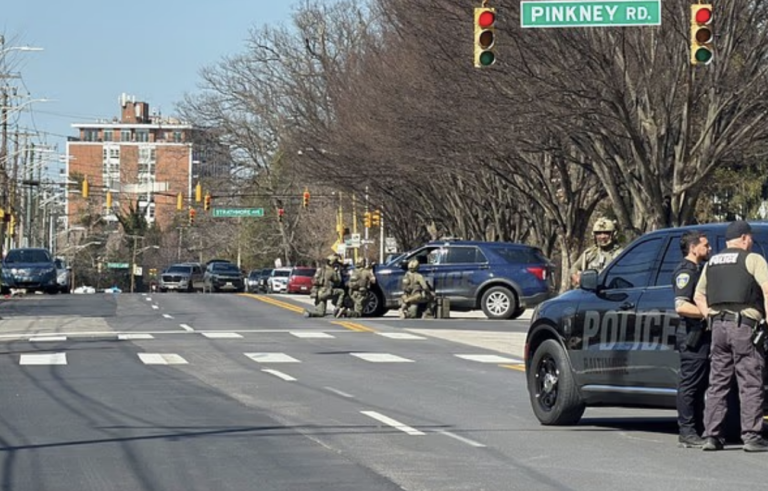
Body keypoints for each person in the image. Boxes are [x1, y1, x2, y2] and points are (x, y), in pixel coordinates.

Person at [693, 220, 768, 452]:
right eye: (750, 239)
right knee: (750, 382)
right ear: (745, 238)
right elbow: (767, 288)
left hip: (718, 328)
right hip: (744, 327)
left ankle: (712, 436)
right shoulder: (752, 259)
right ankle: (752, 436)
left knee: (717, 383)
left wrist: (710, 318)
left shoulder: (712, 262)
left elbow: (698, 295)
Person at [672, 230, 712, 448]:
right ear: (693, 247)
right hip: (692, 336)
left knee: (700, 385)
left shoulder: (700, 269)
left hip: (703, 335)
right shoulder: (686, 271)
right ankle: (686, 431)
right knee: (689, 385)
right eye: (705, 245)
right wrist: (709, 313)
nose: (709, 249)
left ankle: (697, 428)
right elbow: (681, 305)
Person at [570, 217, 623, 287]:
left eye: (606, 233)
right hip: (590, 293)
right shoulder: (589, 254)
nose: (602, 236)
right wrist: (577, 278)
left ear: (613, 234)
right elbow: (574, 268)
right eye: (598, 233)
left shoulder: (621, 254)